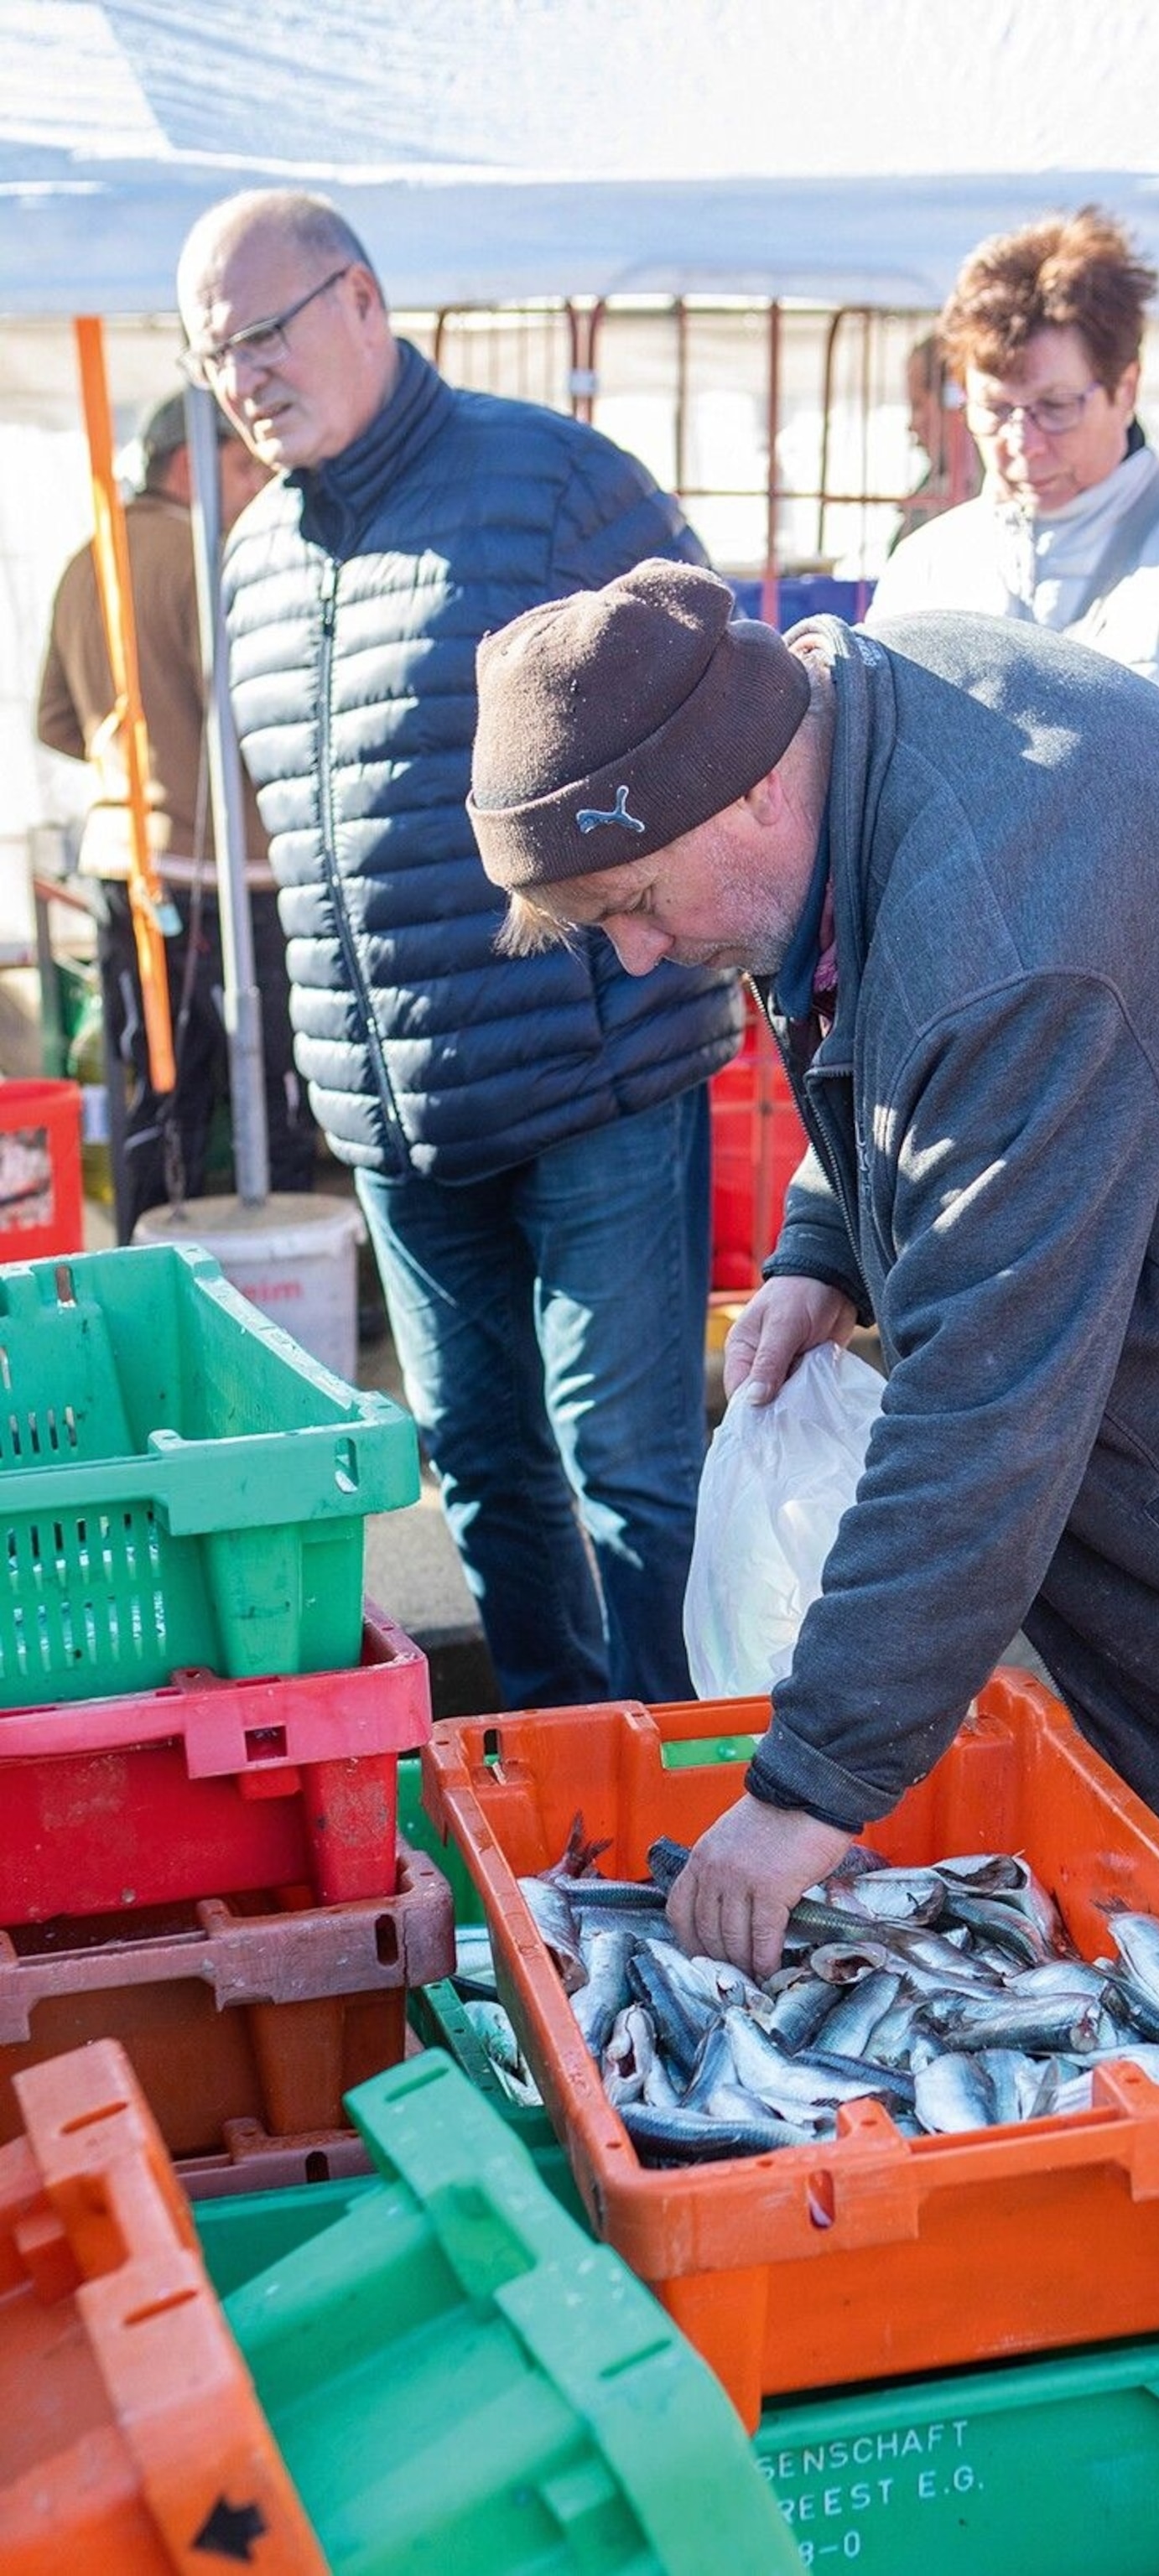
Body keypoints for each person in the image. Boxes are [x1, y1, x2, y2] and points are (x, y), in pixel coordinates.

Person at [466, 561, 1159, 2447]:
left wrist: (808, 1791)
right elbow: (865, 1026)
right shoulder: (848, 722)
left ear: (742, 786)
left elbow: (985, 1408)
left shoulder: (1009, 927)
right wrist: (830, 1238)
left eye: (634, 904)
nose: (639, 956)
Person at [175, 189, 741, 1708]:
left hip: (592, 1081)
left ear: (361, 298)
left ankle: (684, 1782)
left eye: (264, 334)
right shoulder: (250, 554)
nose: (243, 375)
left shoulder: (555, 486)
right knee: (482, 1469)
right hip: (398, 1119)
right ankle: (558, 1789)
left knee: (629, 1464)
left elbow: (721, 714)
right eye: (215, 353)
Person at [867, 206, 1159, 833]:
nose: (1021, 442)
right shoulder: (928, 563)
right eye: (994, 408)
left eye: (1055, 408)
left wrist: (1100, 850)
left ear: (1127, 387)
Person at [35, 390, 316, 1239]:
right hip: (228, 870)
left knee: (156, 1086)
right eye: (243, 466)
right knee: (269, 1086)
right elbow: (251, 712)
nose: (261, 485)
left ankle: (139, 1271)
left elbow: (52, 718)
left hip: (125, 860)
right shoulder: (210, 555)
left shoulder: (88, 558)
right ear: (190, 464)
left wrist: (135, 767)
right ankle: (272, 1290)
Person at [888, 333, 978, 552]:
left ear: (955, 406)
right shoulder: (934, 483)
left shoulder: (971, 489)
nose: (911, 425)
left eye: (918, 405)